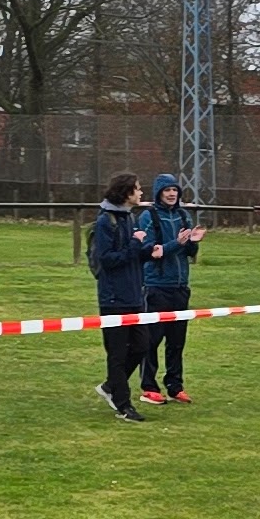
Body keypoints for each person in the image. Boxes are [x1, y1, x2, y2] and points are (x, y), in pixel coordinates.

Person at [136, 173, 206, 405]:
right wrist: (178, 242)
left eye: (175, 190)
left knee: (177, 341)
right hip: (156, 286)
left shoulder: (183, 216)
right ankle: (149, 387)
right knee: (151, 340)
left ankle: (175, 386)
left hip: (180, 287)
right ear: (159, 193)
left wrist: (193, 242)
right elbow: (151, 251)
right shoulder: (148, 216)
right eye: (167, 190)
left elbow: (189, 253)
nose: (172, 194)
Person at [91, 172, 150, 422]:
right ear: (126, 193)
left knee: (142, 345)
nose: (141, 193)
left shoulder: (129, 218)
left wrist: (149, 251)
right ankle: (123, 405)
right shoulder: (106, 221)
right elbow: (107, 260)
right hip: (114, 298)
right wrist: (135, 245)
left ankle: (110, 386)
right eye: (138, 188)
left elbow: (131, 255)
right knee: (117, 353)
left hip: (134, 296)